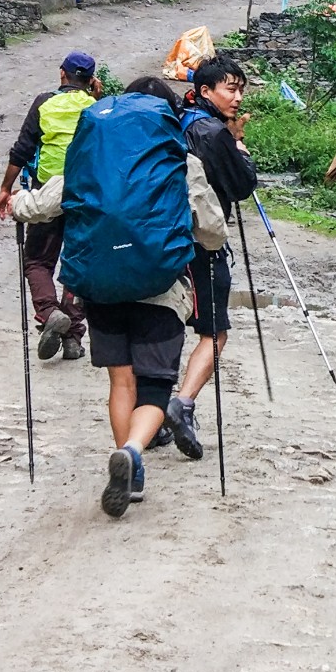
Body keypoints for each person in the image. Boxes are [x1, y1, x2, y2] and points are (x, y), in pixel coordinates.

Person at [86, 77, 226, 516]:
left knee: (120, 380)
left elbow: (51, 202)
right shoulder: (179, 162)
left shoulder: (94, 158)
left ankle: (132, 470)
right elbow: (211, 232)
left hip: (102, 287)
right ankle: (131, 452)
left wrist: (18, 204)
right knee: (153, 387)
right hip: (160, 289)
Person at [165, 55, 258, 459]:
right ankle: (181, 404)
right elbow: (241, 185)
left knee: (165, 324)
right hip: (203, 244)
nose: (237, 97)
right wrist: (239, 147)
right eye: (230, 89)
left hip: (163, 237)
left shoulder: (176, 119)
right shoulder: (213, 133)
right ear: (206, 91)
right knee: (215, 331)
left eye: (240, 89)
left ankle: (150, 413)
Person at [0, 51, 100, 362]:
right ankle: (72, 338)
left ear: (62, 75)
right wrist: (98, 97)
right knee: (78, 265)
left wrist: (5, 189)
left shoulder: (44, 102)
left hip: (47, 194)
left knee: (38, 261)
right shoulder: (98, 109)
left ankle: (49, 312)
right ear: (91, 80)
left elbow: (22, 150)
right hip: (88, 194)